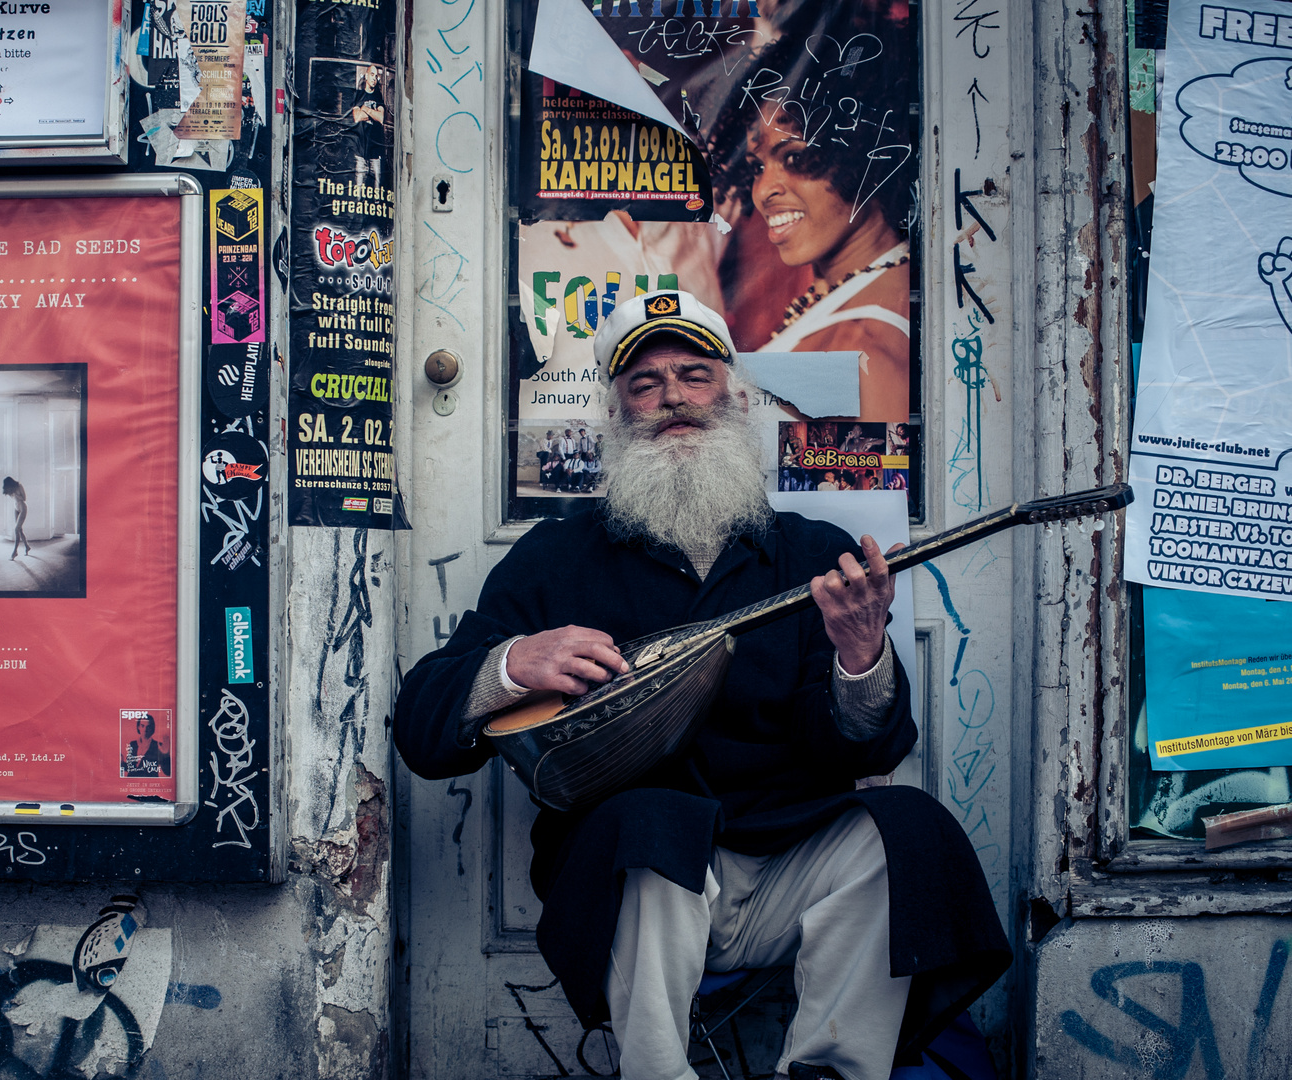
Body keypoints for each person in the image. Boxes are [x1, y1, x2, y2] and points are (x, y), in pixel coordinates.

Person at [394, 291, 1009, 1080]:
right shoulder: (553, 560)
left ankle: (834, 1072)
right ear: (613, 412)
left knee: (906, 827)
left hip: (788, 864)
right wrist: (513, 664)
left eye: (694, 374)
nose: (672, 399)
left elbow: (872, 742)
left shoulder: (809, 552)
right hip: (636, 880)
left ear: (736, 397)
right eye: (644, 385)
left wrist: (860, 655)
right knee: (654, 824)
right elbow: (421, 730)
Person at [707, 18, 915, 424]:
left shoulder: (863, 350)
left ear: (863, 150)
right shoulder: (858, 292)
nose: (764, 190)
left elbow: (866, 484)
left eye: (794, 158)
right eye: (756, 167)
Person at [350, 64, 387, 190]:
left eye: (376, 76)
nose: (374, 78)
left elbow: (381, 118)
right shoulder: (358, 95)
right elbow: (357, 117)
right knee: (358, 192)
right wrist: (373, 113)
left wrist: (365, 109)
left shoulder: (378, 97)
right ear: (366, 76)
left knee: (377, 192)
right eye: (372, 75)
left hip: (376, 154)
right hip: (360, 152)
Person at [123, 714, 171, 778]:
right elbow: (130, 768)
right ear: (138, 727)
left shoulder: (158, 745)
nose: (145, 729)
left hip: (149, 783)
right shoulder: (133, 744)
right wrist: (121, 763)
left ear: (152, 728)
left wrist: (166, 755)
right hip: (132, 782)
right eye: (142, 726)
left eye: (148, 727)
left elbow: (168, 772)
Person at [1, 476, 30, 559]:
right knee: (19, 530)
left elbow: (24, 498)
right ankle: (27, 546)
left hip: (22, 507)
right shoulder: (11, 489)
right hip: (16, 508)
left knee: (16, 529)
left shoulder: (19, 486)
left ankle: (15, 552)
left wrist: (16, 495)